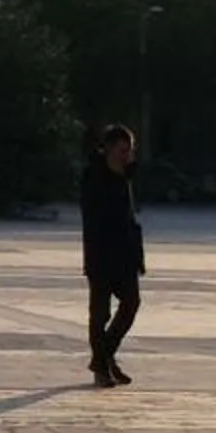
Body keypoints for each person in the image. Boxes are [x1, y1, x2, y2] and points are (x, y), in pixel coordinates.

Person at [82, 125, 147, 387]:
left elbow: (131, 219)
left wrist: (138, 255)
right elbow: (93, 218)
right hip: (101, 254)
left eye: (130, 150)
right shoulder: (94, 176)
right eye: (122, 150)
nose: (127, 155)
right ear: (108, 149)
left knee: (131, 303)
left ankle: (103, 357)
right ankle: (102, 365)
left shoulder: (128, 177)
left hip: (126, 255)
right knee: (100, 314)